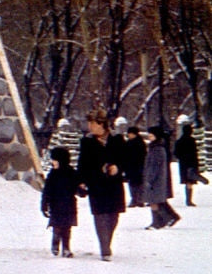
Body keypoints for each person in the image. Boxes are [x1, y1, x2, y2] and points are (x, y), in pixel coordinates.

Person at [77, 109, 127, 261]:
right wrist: (81, 181)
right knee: (100, 216)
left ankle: (107, 242)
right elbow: (82, 164)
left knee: (113, 217)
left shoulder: (117, 140)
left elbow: (126, 160)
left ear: (102, 124)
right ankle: (105, 249)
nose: (90, 126)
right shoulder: (87, 142)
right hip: (97, 184)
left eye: (92, 123)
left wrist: (117, 168)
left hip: (114, 185)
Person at [41, 146, 79, 257]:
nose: (53, 162)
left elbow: (76, 186)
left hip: (69, 204)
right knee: (57, 226)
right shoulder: (52, 174)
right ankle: (55, 244)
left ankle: (66, 248)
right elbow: (47, 191)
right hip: (55, 204)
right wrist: (44, 205)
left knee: (67, 228)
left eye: (55, 160)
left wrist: (82, 190)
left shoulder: (71, 173)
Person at [143, 127, 181, 229]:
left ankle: (157, 221)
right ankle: (168, 218)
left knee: (153, 201)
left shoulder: (157, 149)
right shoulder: (156, 147)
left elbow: (154, 166)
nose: (149, 137)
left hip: (156, 180)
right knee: (157, 201)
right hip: (157, 179)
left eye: (151, 135)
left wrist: (149, 179)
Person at [174, 115, 207, 207]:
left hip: (183, 164)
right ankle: (189, 200)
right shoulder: (192, 141)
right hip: (191, 163)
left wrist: (182, 157)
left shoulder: (179, 141)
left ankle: (188, 200)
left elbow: (176, 153)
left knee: (187, 181)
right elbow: (195, 153)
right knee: (190, 181)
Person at [122, 124, 147, 207]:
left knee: (139, 183)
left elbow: (142, 155)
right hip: (130, 167)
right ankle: (134, 199)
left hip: (137, 166)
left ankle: (139, 199)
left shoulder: (139, 143)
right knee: (132, 184)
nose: (128, 135)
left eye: (130, 133)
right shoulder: (128, 142)